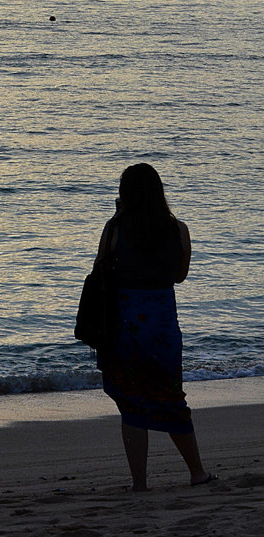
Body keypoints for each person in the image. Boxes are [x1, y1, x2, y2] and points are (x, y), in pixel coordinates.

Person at [95, 163, 217, 492]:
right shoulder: (178, 229)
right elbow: (179, 275)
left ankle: (140, 483)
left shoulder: (115, 227)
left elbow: (100, 269)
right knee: (171, 397)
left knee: (131, 403)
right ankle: (196, 472)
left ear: (124, 195)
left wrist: (118, 219)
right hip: (163, 328)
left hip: (125, 328)